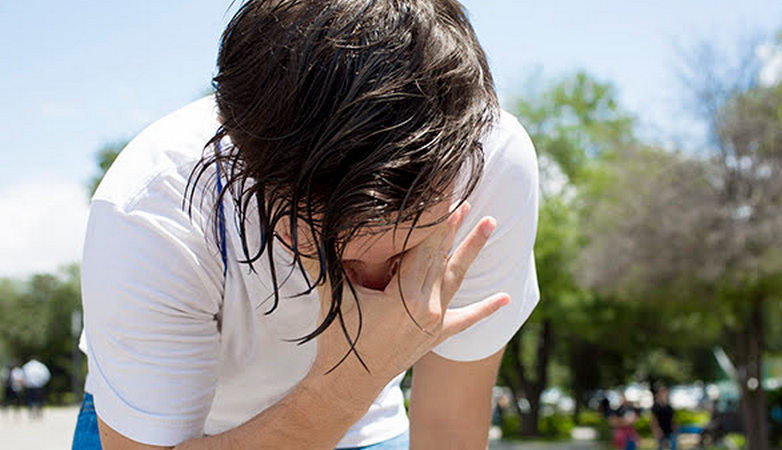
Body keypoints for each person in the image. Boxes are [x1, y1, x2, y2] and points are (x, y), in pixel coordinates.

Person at [72, 1, 540, 449]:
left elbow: (447, 427)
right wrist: (345, 386)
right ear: (249, 177)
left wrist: (354, 392)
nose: (387, 296)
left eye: (407, 251)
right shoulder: (153, 211)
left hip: (366, 429)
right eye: (342, 257)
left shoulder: (492, 167)